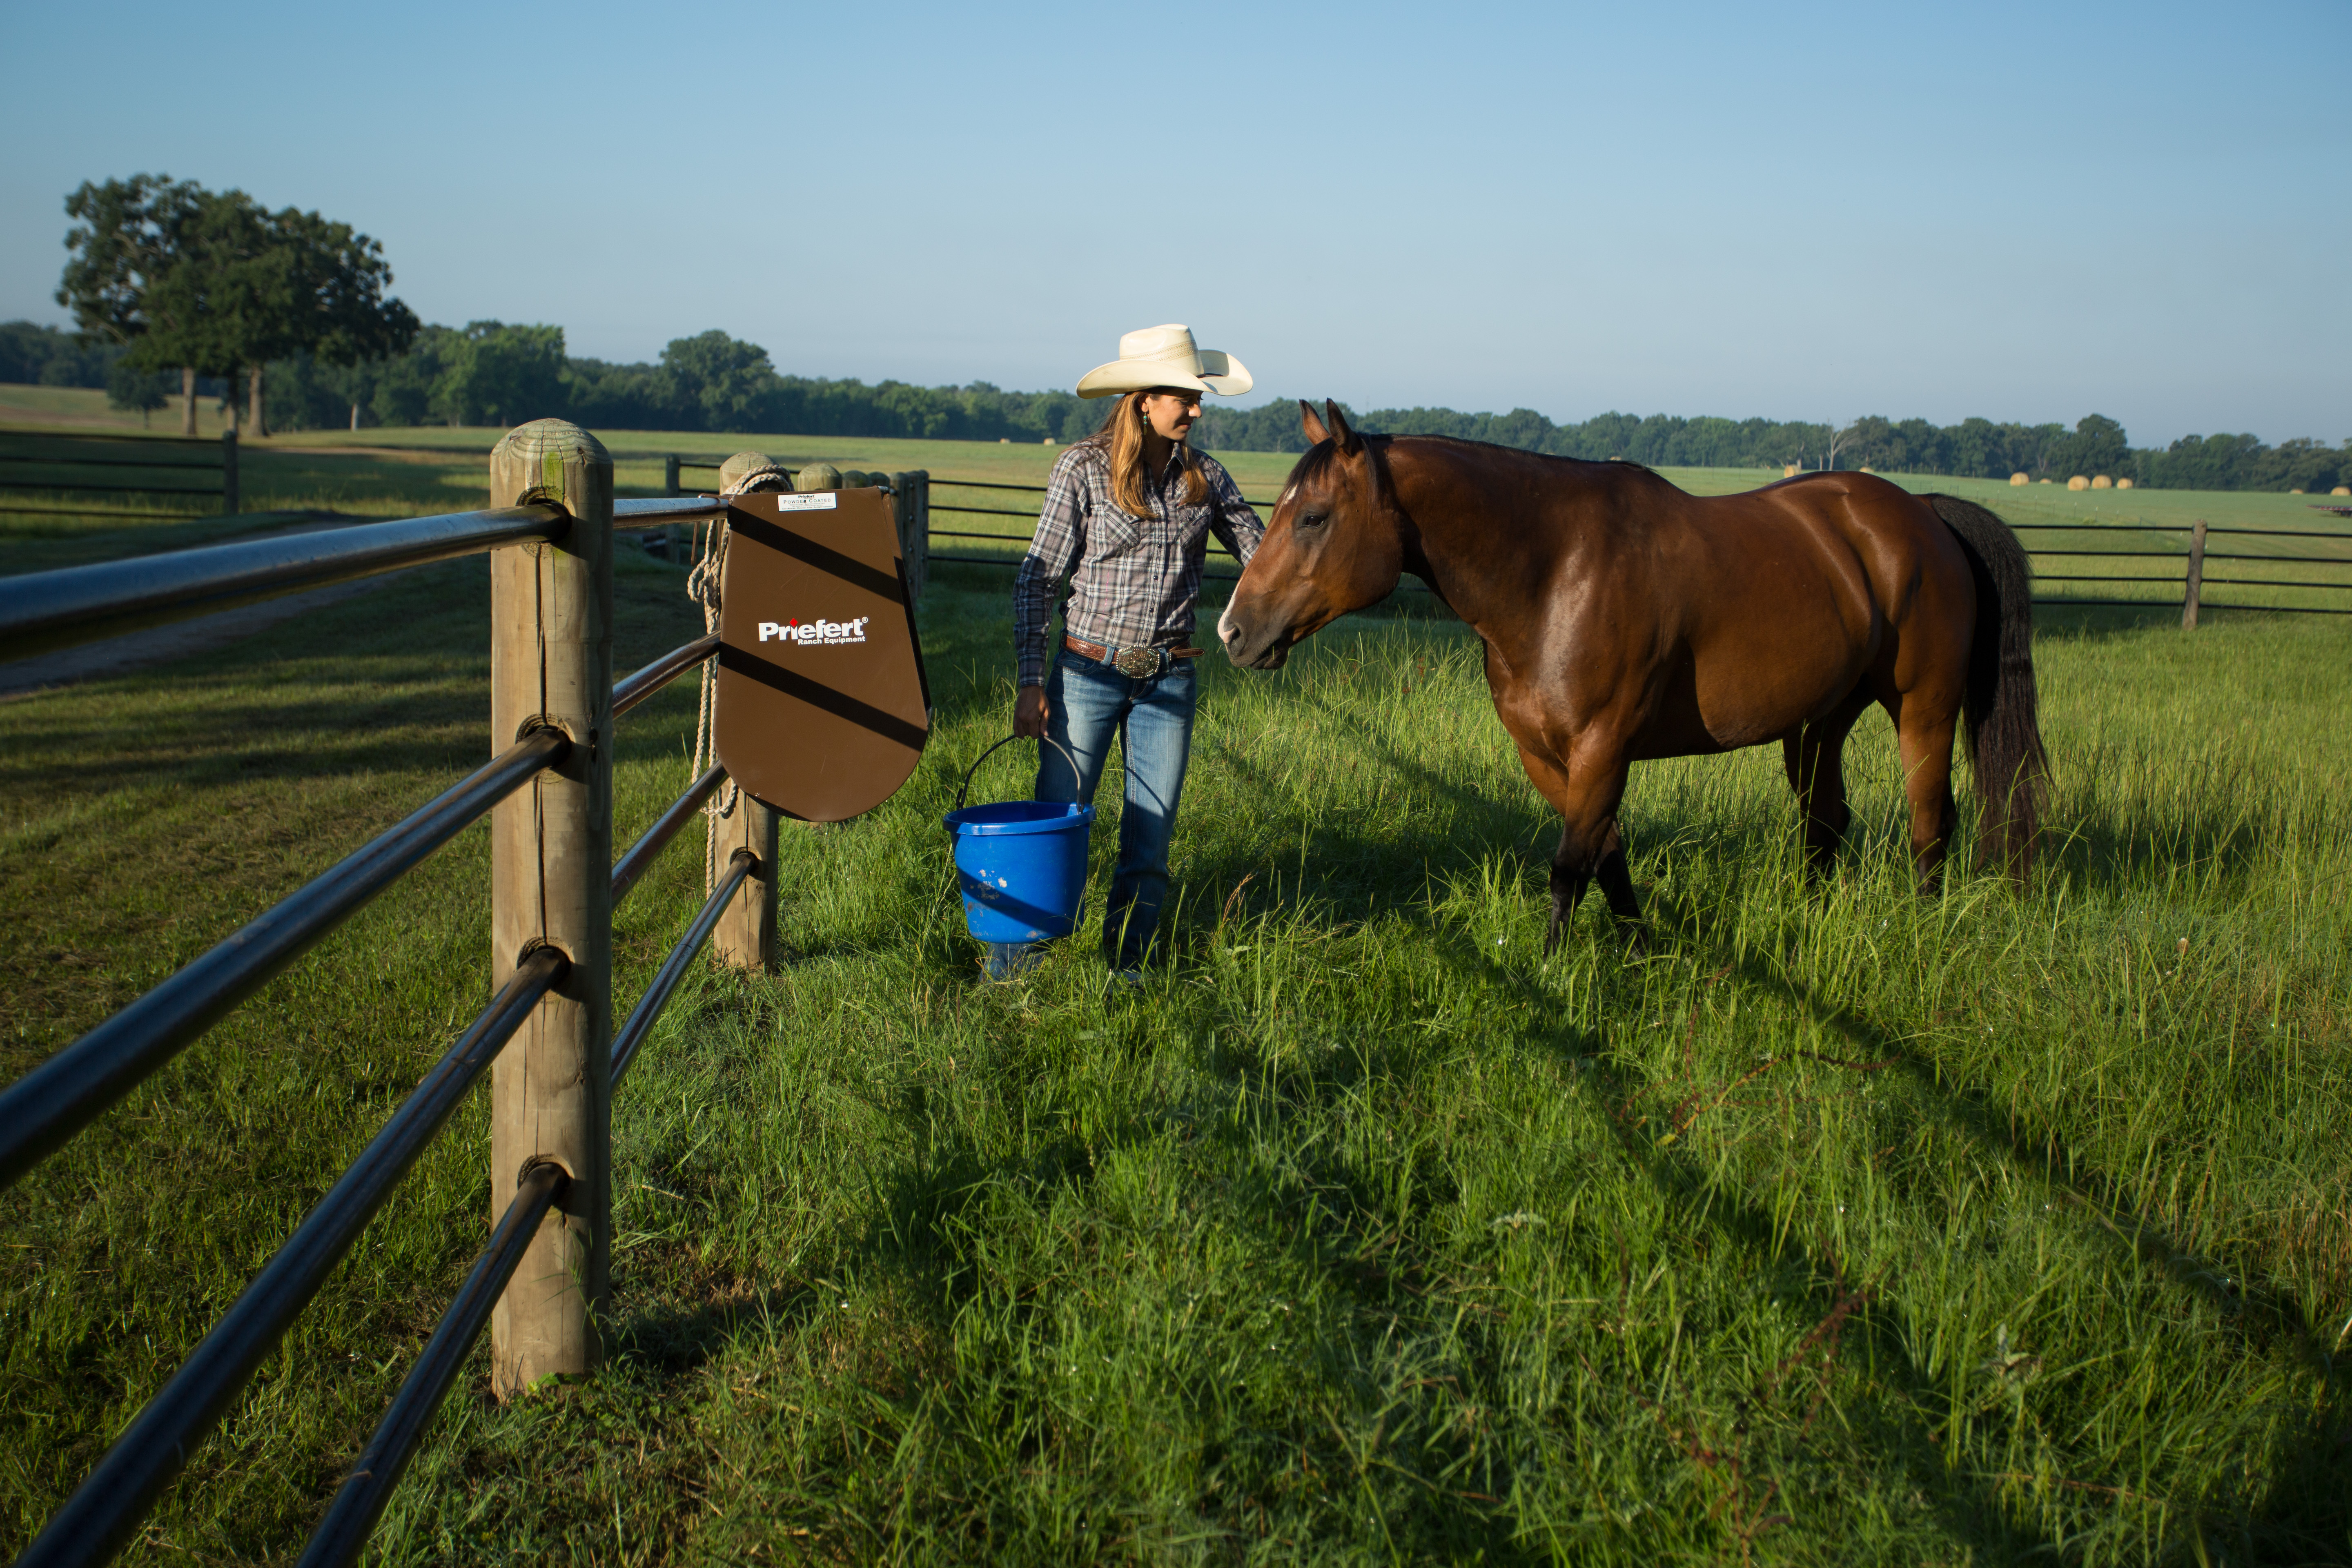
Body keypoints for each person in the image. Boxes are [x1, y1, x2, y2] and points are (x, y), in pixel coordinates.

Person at [998, 324, 1264, 982]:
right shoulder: (1081, 468)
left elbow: (1264, 559)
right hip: (1086, 672)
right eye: (1185, 397)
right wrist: (1033, 683)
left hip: (1169, 680)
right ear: (1144, 399)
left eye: (1199, 398)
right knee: (1059, 823)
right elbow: (1039, 578)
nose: (1197, 410)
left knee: (1151, 836)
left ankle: (1132, 968)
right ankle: (1018, 967)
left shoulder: (1207, 477)